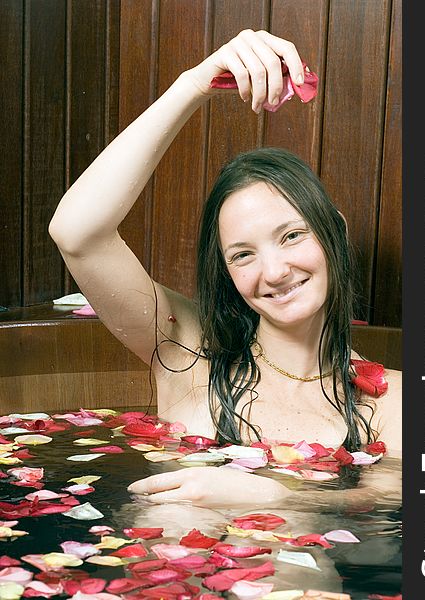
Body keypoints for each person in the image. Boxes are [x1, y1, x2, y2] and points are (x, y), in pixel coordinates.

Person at [49, 29, 401, 510]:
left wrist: (277, 500)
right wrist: (193, 84)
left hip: (305, 577)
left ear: (334, 232)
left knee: (288, 548)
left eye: (292, 235)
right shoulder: (188, 353)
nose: (274, 270)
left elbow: (390, 511)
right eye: (243, 254)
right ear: (227, 272)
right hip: (164, 578)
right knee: (175, 516)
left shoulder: (393, 403)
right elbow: (78, 233)